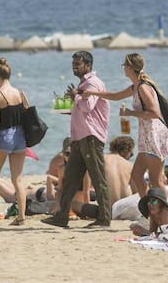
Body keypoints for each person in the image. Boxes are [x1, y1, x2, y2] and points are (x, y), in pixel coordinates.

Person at [82, 53, 168, 198]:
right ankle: (148, 210)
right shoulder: (135, 87)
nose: (123, 68)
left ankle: (164, 213)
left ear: (130, 67)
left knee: (156, 181)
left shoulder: (143, 87)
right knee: (136, 176)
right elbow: (116, 96)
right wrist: (92, 92)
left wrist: (130, 113)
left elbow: (155, 113)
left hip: (154, 136)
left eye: (124, 65)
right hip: (146, 138)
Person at [42, 51, 111, 229]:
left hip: (91, 137)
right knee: (70, 179)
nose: (74, 66)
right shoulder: (84, 84)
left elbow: (87, 106)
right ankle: (61, 216)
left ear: (88, 65)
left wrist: (75, 97)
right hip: (80, 138)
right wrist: (69, 105)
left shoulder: (93, 83)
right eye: (73, 63)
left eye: (78, 63)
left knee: (98, 179)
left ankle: (104, 218)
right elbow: (82, 109)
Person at [0, 57, 28, 226]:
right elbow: (26, 113)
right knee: (18, 180)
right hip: (20, 137)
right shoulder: (19, 93)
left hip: (3, 137)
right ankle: (21, 218)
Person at [72, 136, 136, 219]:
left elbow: (86, 191)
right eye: (131, 154)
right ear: (126, 150)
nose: (130, 156)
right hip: (127, 210)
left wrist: (86, 208)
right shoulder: (131, 166)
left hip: (106, 212)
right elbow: (135, 194)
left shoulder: (99, 160)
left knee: (72, 203)